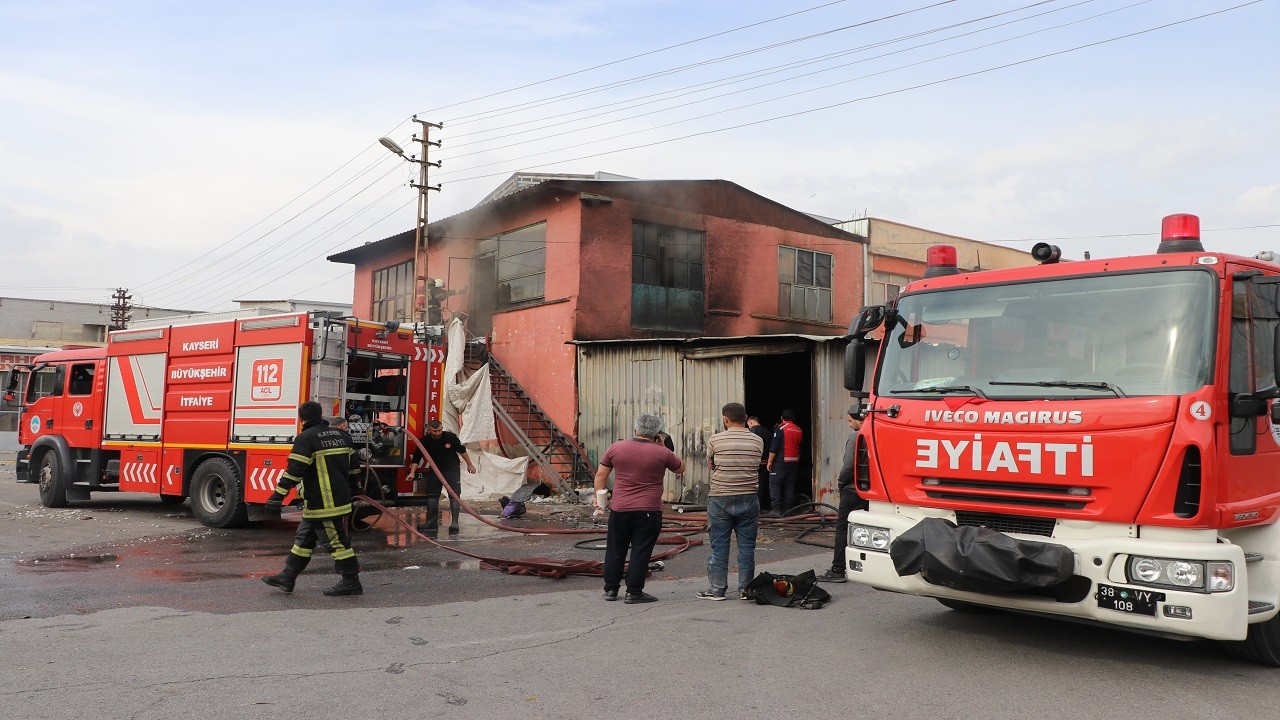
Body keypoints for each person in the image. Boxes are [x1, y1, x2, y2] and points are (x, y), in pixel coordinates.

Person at [261, 401, 362, 596]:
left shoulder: (305, 438)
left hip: (323, 503)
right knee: (304, 539)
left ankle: (351, 581)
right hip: (336, 499)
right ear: (321, 414)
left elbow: (295, 471)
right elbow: (355, 467)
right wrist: (355, 487)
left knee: (336, 542)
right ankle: (287, 577)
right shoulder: (342, 436)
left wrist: (277, 496)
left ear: (301, 419)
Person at [594, 414, 684, 604]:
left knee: (615, 549)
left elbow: (601, 476)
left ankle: (610, 589)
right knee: (641, 551)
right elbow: (680, 469)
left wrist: (600, 498)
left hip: (620, 509)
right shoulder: (663, 453)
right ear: (657, 434)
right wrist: (664, 447)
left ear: (635, 430)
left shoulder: (616, 448)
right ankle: (634, 592)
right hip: (648, 511)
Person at [697, 402, 764, 601]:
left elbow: (711, 464)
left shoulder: (715, 439)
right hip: (749, 497)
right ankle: (746, 590)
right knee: (747, 547)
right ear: (746, 418)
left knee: (719, 546)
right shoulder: (757, 440)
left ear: (725, 419)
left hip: (720, 498)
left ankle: (717, 590)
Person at [818, 412, 867, 584]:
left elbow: (848, 466)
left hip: (853, 490)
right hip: (871, 491)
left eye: (850, 420)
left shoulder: (856, 436)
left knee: (843, 528)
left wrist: (840, 483)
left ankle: (838, 570)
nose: (849, 424)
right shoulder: (877, 433)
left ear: (860, 420)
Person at [409, 419, 477, 537]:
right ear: (429, 430)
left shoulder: (450, 437)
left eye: (440, 430)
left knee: (454, 495)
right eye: (435, 431)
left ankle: (455, 523)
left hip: (452, 469)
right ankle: (431, 522)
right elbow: (416, 458)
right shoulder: (424, 441)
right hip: (435, 470)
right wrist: (411, 473)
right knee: (432, 495)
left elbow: (462, 451)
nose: (438, 433)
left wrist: (470, 465)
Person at [766, 408, 804, 516]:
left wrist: (769, 461)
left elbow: (774, 447)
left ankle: (776, 510)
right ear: (793, 419)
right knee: (790, 485)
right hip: (793, 462)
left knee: (774, 484)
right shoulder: (799, 430)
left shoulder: (780, 428)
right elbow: (801, 447)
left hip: (780, 462)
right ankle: (788, 510)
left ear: (781, 418)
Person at [746, 415, 772, 513]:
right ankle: (762, 506)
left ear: (750, 422)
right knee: (763, 484)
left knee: (750, 485)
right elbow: (771, 448)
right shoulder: (768, 432)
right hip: (765, 463)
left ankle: (751, 507)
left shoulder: (749, 432)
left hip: (751, 463)